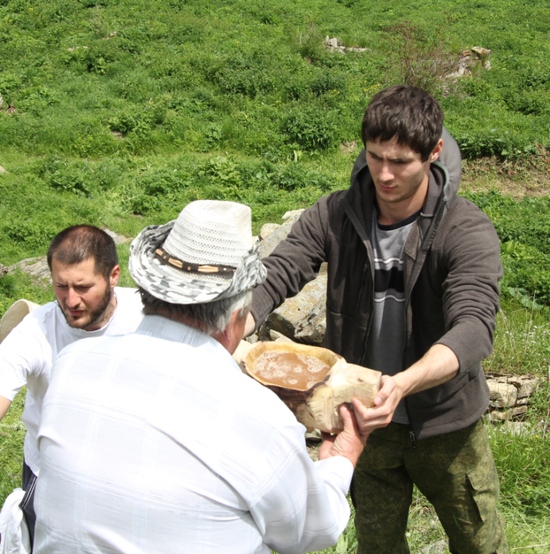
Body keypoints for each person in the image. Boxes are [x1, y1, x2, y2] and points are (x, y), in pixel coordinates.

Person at [246, 85, 508, 553]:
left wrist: (405, 383)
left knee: (479, 543)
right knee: (376, 544)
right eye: (374, 157)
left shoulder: (465, 229)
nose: (385, 174)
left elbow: (472, 325)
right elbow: (277, 273)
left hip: (446, 426)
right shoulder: (333, 215)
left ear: (434, 152)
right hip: (361, 421)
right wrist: (233, 327)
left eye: (401, 162)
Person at [32, 200, 367, 554]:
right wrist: (340, 458)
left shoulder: (70, 365)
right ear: (239, 314)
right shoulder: (261, 418)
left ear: (148, 290)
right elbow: (311, 532)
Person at [0, 225, 144, 548]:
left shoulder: (146, 315)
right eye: (60, 285)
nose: (70, 300)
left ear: (114, 275)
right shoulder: (36, 331)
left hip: (125, 473)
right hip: (51, 478)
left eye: (82, 286)